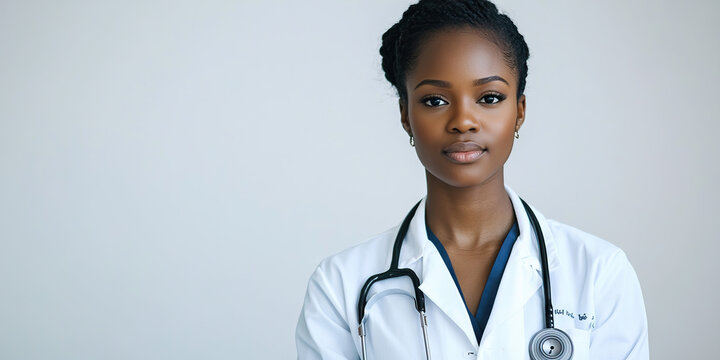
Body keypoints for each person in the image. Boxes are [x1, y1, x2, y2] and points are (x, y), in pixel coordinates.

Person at [295, 0, 649, 358]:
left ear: (519, 112)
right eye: (434, 101)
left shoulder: (599, 273)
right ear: (405, 116)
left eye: (489, 97)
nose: (463, 121)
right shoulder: (340, 285)